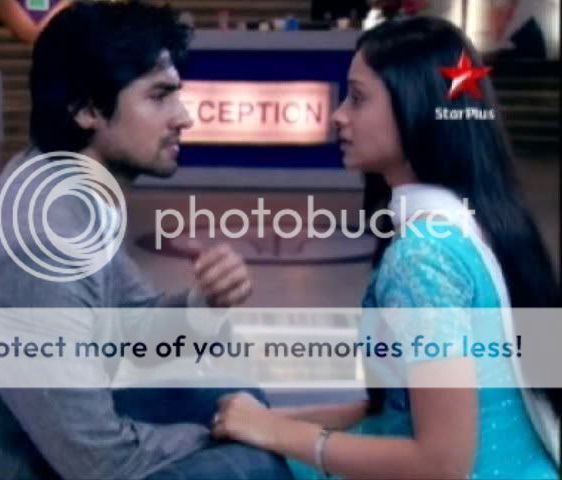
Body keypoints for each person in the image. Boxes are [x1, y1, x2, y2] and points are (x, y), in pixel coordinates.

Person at [0, 2, 292, 479]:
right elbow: (99, 463)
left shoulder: (62, 184)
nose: (183, 118)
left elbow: (129, 328)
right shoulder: (43, 243)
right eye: (159, 96)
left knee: (231, 391)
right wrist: (229, 432)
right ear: (87, 109)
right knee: (250, 459)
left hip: (41, 442)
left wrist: (204, 304)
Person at [209, 17, 560, 479]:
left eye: (357, 98)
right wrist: (272, 423)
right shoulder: (483, 220)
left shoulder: (424, 258)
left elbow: (442, 463)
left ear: (415, 107)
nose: (339, 115)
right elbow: (404, 409)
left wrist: (274, 431)